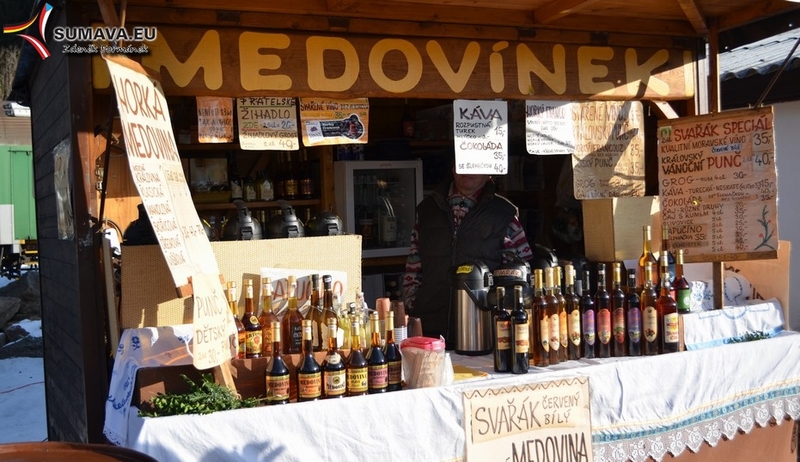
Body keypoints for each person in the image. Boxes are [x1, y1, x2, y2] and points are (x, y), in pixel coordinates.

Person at [402, 170, 533, 346]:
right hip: (430, 330)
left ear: (490, 172)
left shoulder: (504, 214)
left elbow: (520, 278)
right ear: (454, 165)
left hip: (483, 332)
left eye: (477, 164)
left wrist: (500, 318)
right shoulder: (427, 210)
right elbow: (413, 267)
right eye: (464, 162)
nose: (469, 170)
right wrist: (415, 306)